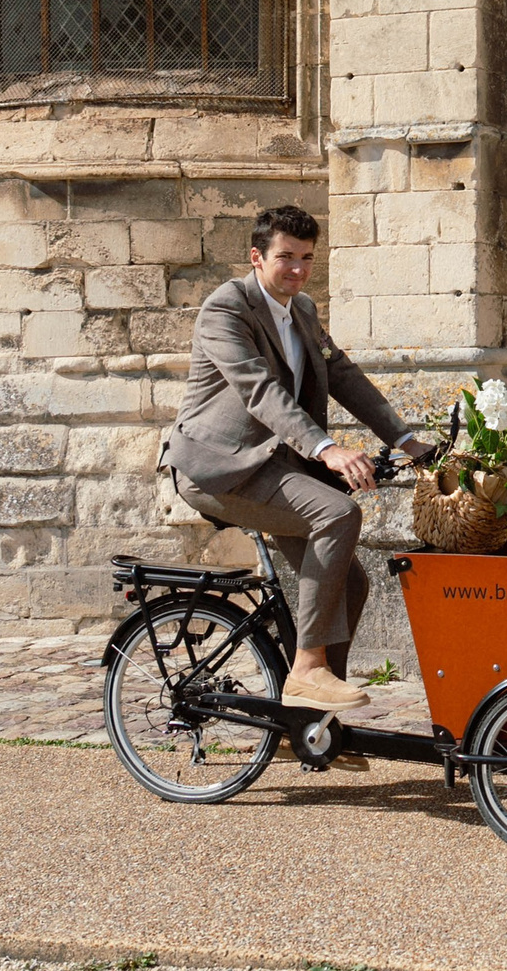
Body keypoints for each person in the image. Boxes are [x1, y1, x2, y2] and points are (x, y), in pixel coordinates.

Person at [165, 203, 432, 714]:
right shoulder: (226, 309)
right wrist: (327, 450)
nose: (298, 269)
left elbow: (346, 377)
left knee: (351, 583)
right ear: (257, 257)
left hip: (271, 466)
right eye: (286, 256)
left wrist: (406, 440)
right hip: (218, 468)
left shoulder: (303, 311)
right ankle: (307, 671)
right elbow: (260, 391)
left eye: (307, 258)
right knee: (338, 512)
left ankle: (311, 721)